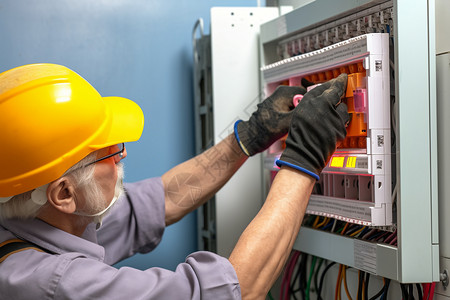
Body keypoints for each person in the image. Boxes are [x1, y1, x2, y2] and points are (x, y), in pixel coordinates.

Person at [0, 63, 348, 300]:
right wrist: (304, 160)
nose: (121, 157)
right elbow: (236, 290)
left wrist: (250, 137)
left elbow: (159, 201)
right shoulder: (53, 285)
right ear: (63, 193)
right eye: (108, 151)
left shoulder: (37, 221)